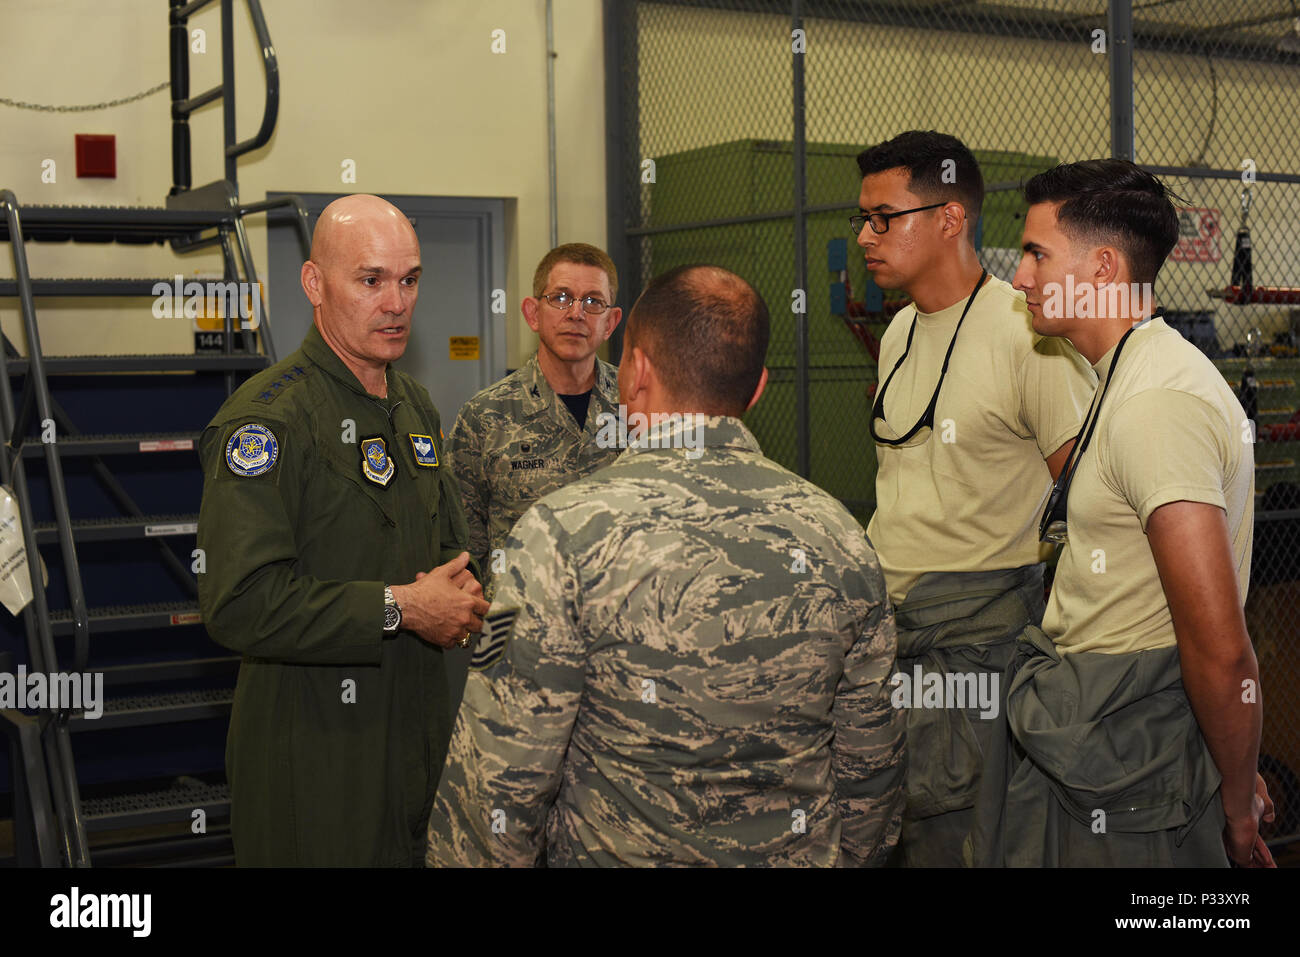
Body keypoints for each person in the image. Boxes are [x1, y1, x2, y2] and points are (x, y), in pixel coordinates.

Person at [426, 265, 905, 867]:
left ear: (634, 372)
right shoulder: (842, 538)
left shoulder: (557, 536)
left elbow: (499, 773)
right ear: (757, 388)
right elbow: (872, 768)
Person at [970, 159, 1275, 866]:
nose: (1019, 278)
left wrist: (1232, 804)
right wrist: (1229, 754)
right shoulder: (1128, 376)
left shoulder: (1155, 404)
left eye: (1037, 253)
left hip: (1133, 769)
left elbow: (1221, 647)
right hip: (1116, 745)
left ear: (1104, 267)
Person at [196, 194, 490, 867]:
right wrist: (403, 608)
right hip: (319, 757)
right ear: (314, 285)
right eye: (370, 280)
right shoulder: (268, 421)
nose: (396, 302)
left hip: (418, 743)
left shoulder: (412, 402)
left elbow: (447, 549)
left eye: (409, 279)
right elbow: (238, 602)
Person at [853, 130, 1096, 865]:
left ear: (950, 218)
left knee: (958, 839)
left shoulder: (1027, 336)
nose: (865, 236)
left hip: (976, 650)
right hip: (890, 637)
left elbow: (1087, 502)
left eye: (884, 217)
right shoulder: (897, 332)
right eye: (863, 218)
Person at [446, 243, 622, 601]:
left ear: (611, 322)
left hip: (620, 626)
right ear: (532, 313)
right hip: (520, 632)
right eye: (560, 298)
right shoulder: (485, 416)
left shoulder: (640, 407)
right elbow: (463, 546)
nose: (576, 314)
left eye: (592, 302)